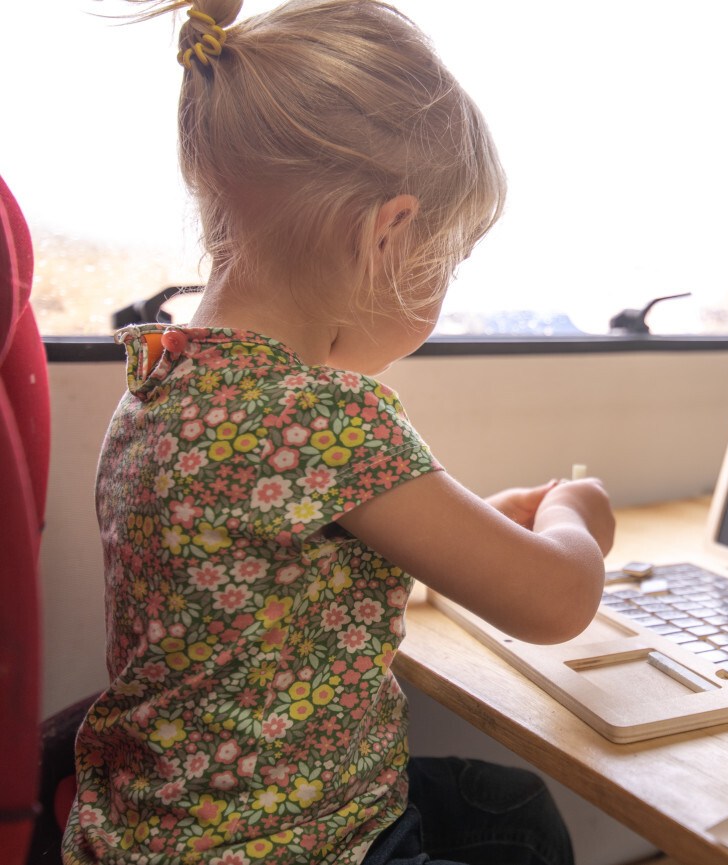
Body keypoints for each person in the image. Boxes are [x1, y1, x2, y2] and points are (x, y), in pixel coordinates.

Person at [62, 1, 615, 863]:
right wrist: (575, 513)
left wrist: (486, 523)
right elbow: (556, 602)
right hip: (293, 843)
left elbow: (292, 563)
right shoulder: (321, 416)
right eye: (449, 261)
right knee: (521, 831)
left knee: (509, 804)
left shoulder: (164, 385)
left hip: (155, 831)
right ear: (387, 234)